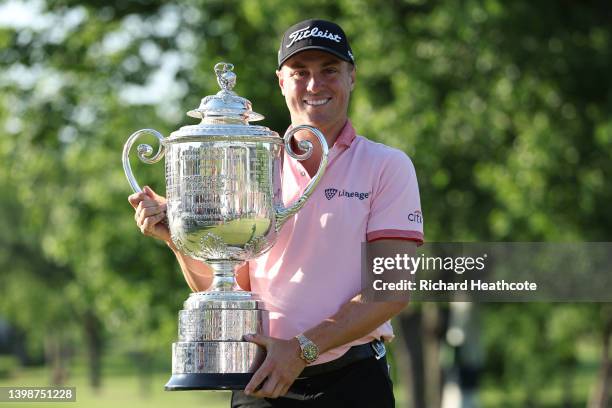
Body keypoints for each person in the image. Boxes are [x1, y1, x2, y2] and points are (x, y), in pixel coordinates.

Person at [128, 18, 424, 408]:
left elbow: (391, 290)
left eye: (329, 70)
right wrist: (177, 238)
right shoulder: (250, 166)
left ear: (352, 77)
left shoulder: (387, 165)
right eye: (300, 73)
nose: (315, 85)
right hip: (261, 378)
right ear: (281, 82)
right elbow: (229, 286)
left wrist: (301, 349)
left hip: (351, 381)